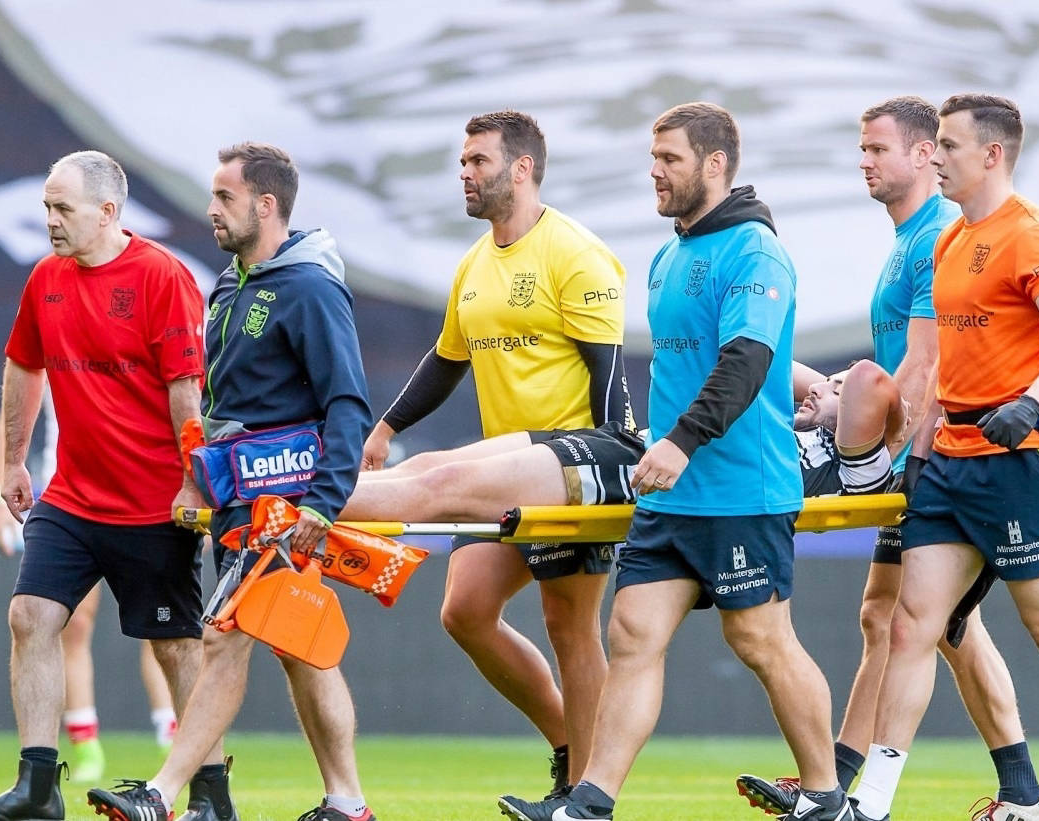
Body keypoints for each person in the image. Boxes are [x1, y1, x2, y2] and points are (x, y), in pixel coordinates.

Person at [500, 101, 852, 821]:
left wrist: (680, 441)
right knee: (631, 635)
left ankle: (824, 796)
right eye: (653, 158)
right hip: (671, 495)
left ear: (714, 164)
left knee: (760, 639)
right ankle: (590, 803)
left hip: (741, 491)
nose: (655, 172)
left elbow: (747, 360)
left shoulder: (755, 250)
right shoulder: (668, 255)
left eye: (670, 159)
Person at [843, 94, 1039, 821]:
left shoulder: (1032, 234)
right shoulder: (950, 240)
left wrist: (1033, 401)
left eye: (950, 146)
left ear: (991, 155)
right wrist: (920, 448)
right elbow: (942, 364)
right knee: (910, 626)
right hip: (950, 463)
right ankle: (872, 803)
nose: (938, 158)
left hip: (1021, 461)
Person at [737, 97, 1039, 820]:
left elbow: (927, 366)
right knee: (915, 621)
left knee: (930, 622)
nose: (864, 161)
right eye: (863, 148)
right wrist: (839, 399)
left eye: (878, 149)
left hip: (934, 460)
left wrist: (882, 460)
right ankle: (1006, 794)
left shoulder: (935, 233)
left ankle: (842, 786)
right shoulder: (915, 236)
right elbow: (902, 365)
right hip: (927, 455)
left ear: (922, 154)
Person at [87, 142, 376, 821]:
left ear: (265, 205)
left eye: (225, 197)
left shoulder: (310, 287)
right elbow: (221, 407)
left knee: (221, 637)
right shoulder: (229, 284)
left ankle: (161, 793)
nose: (211, 209)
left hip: (283, 503)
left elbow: (347, 403)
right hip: (237, 500)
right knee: (300, 649)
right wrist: (198, 480)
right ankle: (348, 802)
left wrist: (322, 503)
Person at [360, 110, 632, 796]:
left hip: (569, 469)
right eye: (462, 161)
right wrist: (386, 427)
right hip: (499, 475)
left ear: (521, 168)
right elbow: (446, 359)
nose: (465, 173)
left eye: (477, 161)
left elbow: (609, 377)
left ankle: (586, 793)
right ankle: (571, 746)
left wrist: (610, 481)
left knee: (569, 625)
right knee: (466, 612)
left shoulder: (575, 252)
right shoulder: (475, 262)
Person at [0, 151, 209, 821]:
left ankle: (212, 796)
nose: (50, 220)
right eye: (46, 207)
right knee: (30, 616)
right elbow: (23, 365)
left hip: (153, 503)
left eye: (62, 208)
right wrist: (13, 463)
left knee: (177, 646)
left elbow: (186, 390)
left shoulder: (162, 276)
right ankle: (38, 789)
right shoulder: (46, 278)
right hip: (71, 498)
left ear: (107, 212)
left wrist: (193, 482)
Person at [0, 408, 179, 785]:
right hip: (70, 500)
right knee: (67, 625)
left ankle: (172, 738)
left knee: (167, 627)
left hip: (144, 495)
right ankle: (85, 746)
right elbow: (11, 413)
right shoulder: (51, 366)